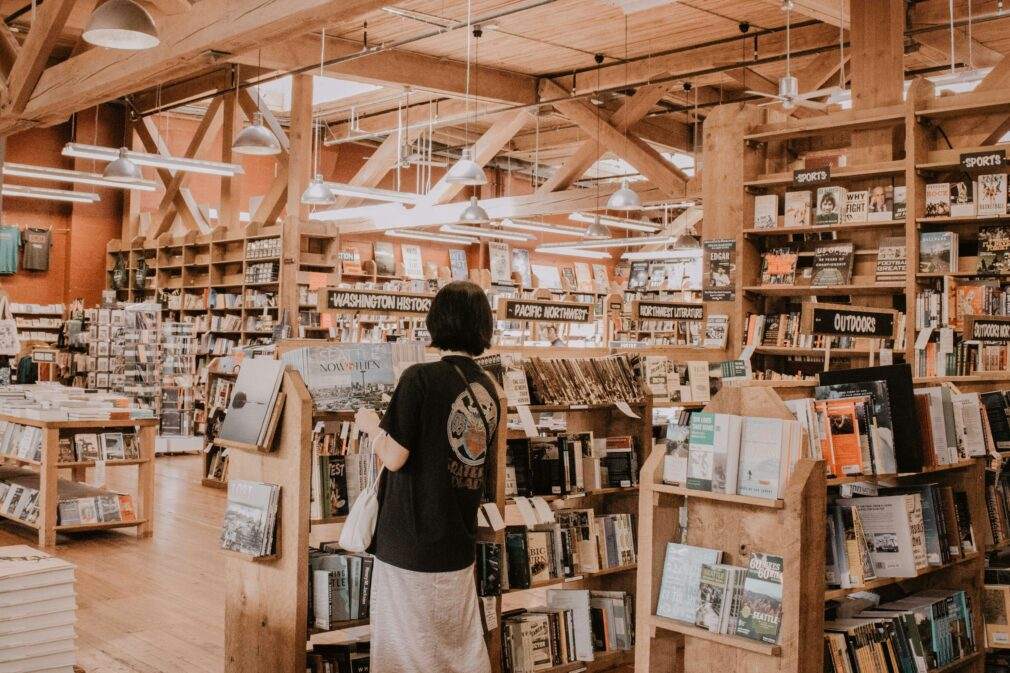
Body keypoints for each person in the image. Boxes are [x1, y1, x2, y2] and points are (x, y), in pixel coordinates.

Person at [354, 280, 500, 673]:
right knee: (457, 650)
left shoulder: (419, 378)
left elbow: (396, 457)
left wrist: (371, 426)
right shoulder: (488, 388)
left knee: (405, 651)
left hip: (410, 542)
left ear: (437, 321)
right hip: (457, 541)